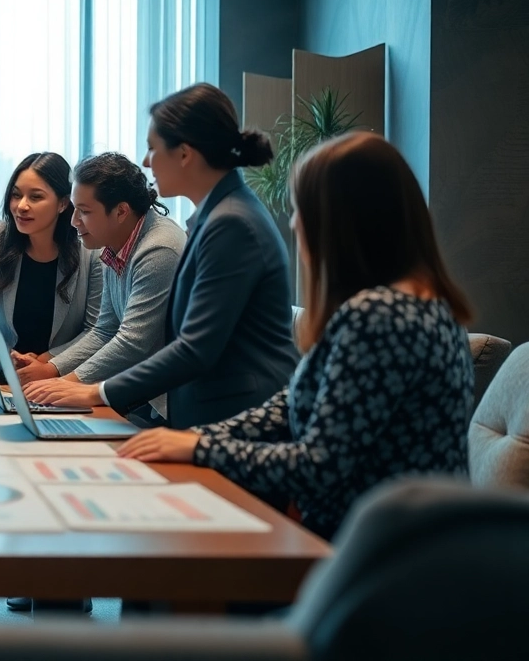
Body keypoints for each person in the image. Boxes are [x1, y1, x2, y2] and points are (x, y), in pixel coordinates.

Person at [118, 132, 475, 540]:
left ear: (341, 223)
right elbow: (286, 407)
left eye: (301, 209)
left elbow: (319, 465)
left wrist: (201, 449)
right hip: (398, 543)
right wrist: (194, 439)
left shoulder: (378, 317)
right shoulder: (425, 304)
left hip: (378, 556)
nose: (294, 222)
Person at [24, 83, 299, 429]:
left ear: (184, 154)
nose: (145, 161)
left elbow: (194, 349)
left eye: (153, 148)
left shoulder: (230, 224)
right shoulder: (218, 215)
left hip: (233, 419)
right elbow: (113, 329)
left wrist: (95, 392)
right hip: (210, 411)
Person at [21, 153, 187, 418]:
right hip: (145, 396)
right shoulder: (110, 245)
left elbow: (133, 343)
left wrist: (66, 384)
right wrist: (53, 372)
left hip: (173, 405)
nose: (74, 221)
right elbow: (105, 329)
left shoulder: (159, 249)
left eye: (84, 212)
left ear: (121, 211)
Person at [0, 152, 102, 385]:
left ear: (62, 203)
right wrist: (4, 359)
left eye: (36, 197)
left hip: (64, 383)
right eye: (16, 195)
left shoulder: (91, 251)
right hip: (6, 381)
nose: (21, 206)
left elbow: (96, 329)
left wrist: (47, 363)